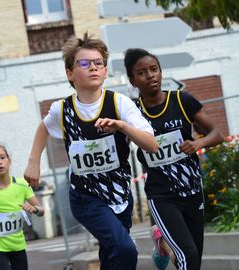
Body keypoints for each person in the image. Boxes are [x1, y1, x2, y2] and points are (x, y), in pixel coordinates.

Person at [24, 33, 158, 270]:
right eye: (84, 64)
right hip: (85, 196)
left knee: (112, 252)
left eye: (99, 63)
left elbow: (152, 144)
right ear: (70, 73)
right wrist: (33, 161)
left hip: (119, 194)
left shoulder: (119, 104)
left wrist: (122, 126)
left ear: (105, 71)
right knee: (125, 248)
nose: (93, 68)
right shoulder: (62, 109)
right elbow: (44, 127)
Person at [124, 48, 224, 270]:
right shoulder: (132, 112)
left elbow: (217, 135)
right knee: (187, 255)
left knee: (193, 258)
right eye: (142, 73)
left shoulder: (181, 100)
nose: (150, 76)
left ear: (161, 72)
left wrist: (198, 144)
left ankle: (163, 245)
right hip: (162, 195)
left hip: (191, 189)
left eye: (154, 69)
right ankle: (166, 242)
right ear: (133, 80)